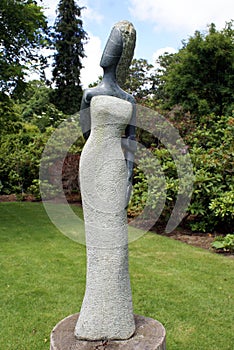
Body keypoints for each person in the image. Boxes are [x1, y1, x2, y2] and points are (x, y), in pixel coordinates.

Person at [80, 20, 136, 206]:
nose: (107, 52)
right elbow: (85, 131)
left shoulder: (129, 100)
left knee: (114, 217)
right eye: (108, 46)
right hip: (92, 158)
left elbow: (131, 139)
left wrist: (129, 173)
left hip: (115, 161)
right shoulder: (90, 94)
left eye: (114, 46)